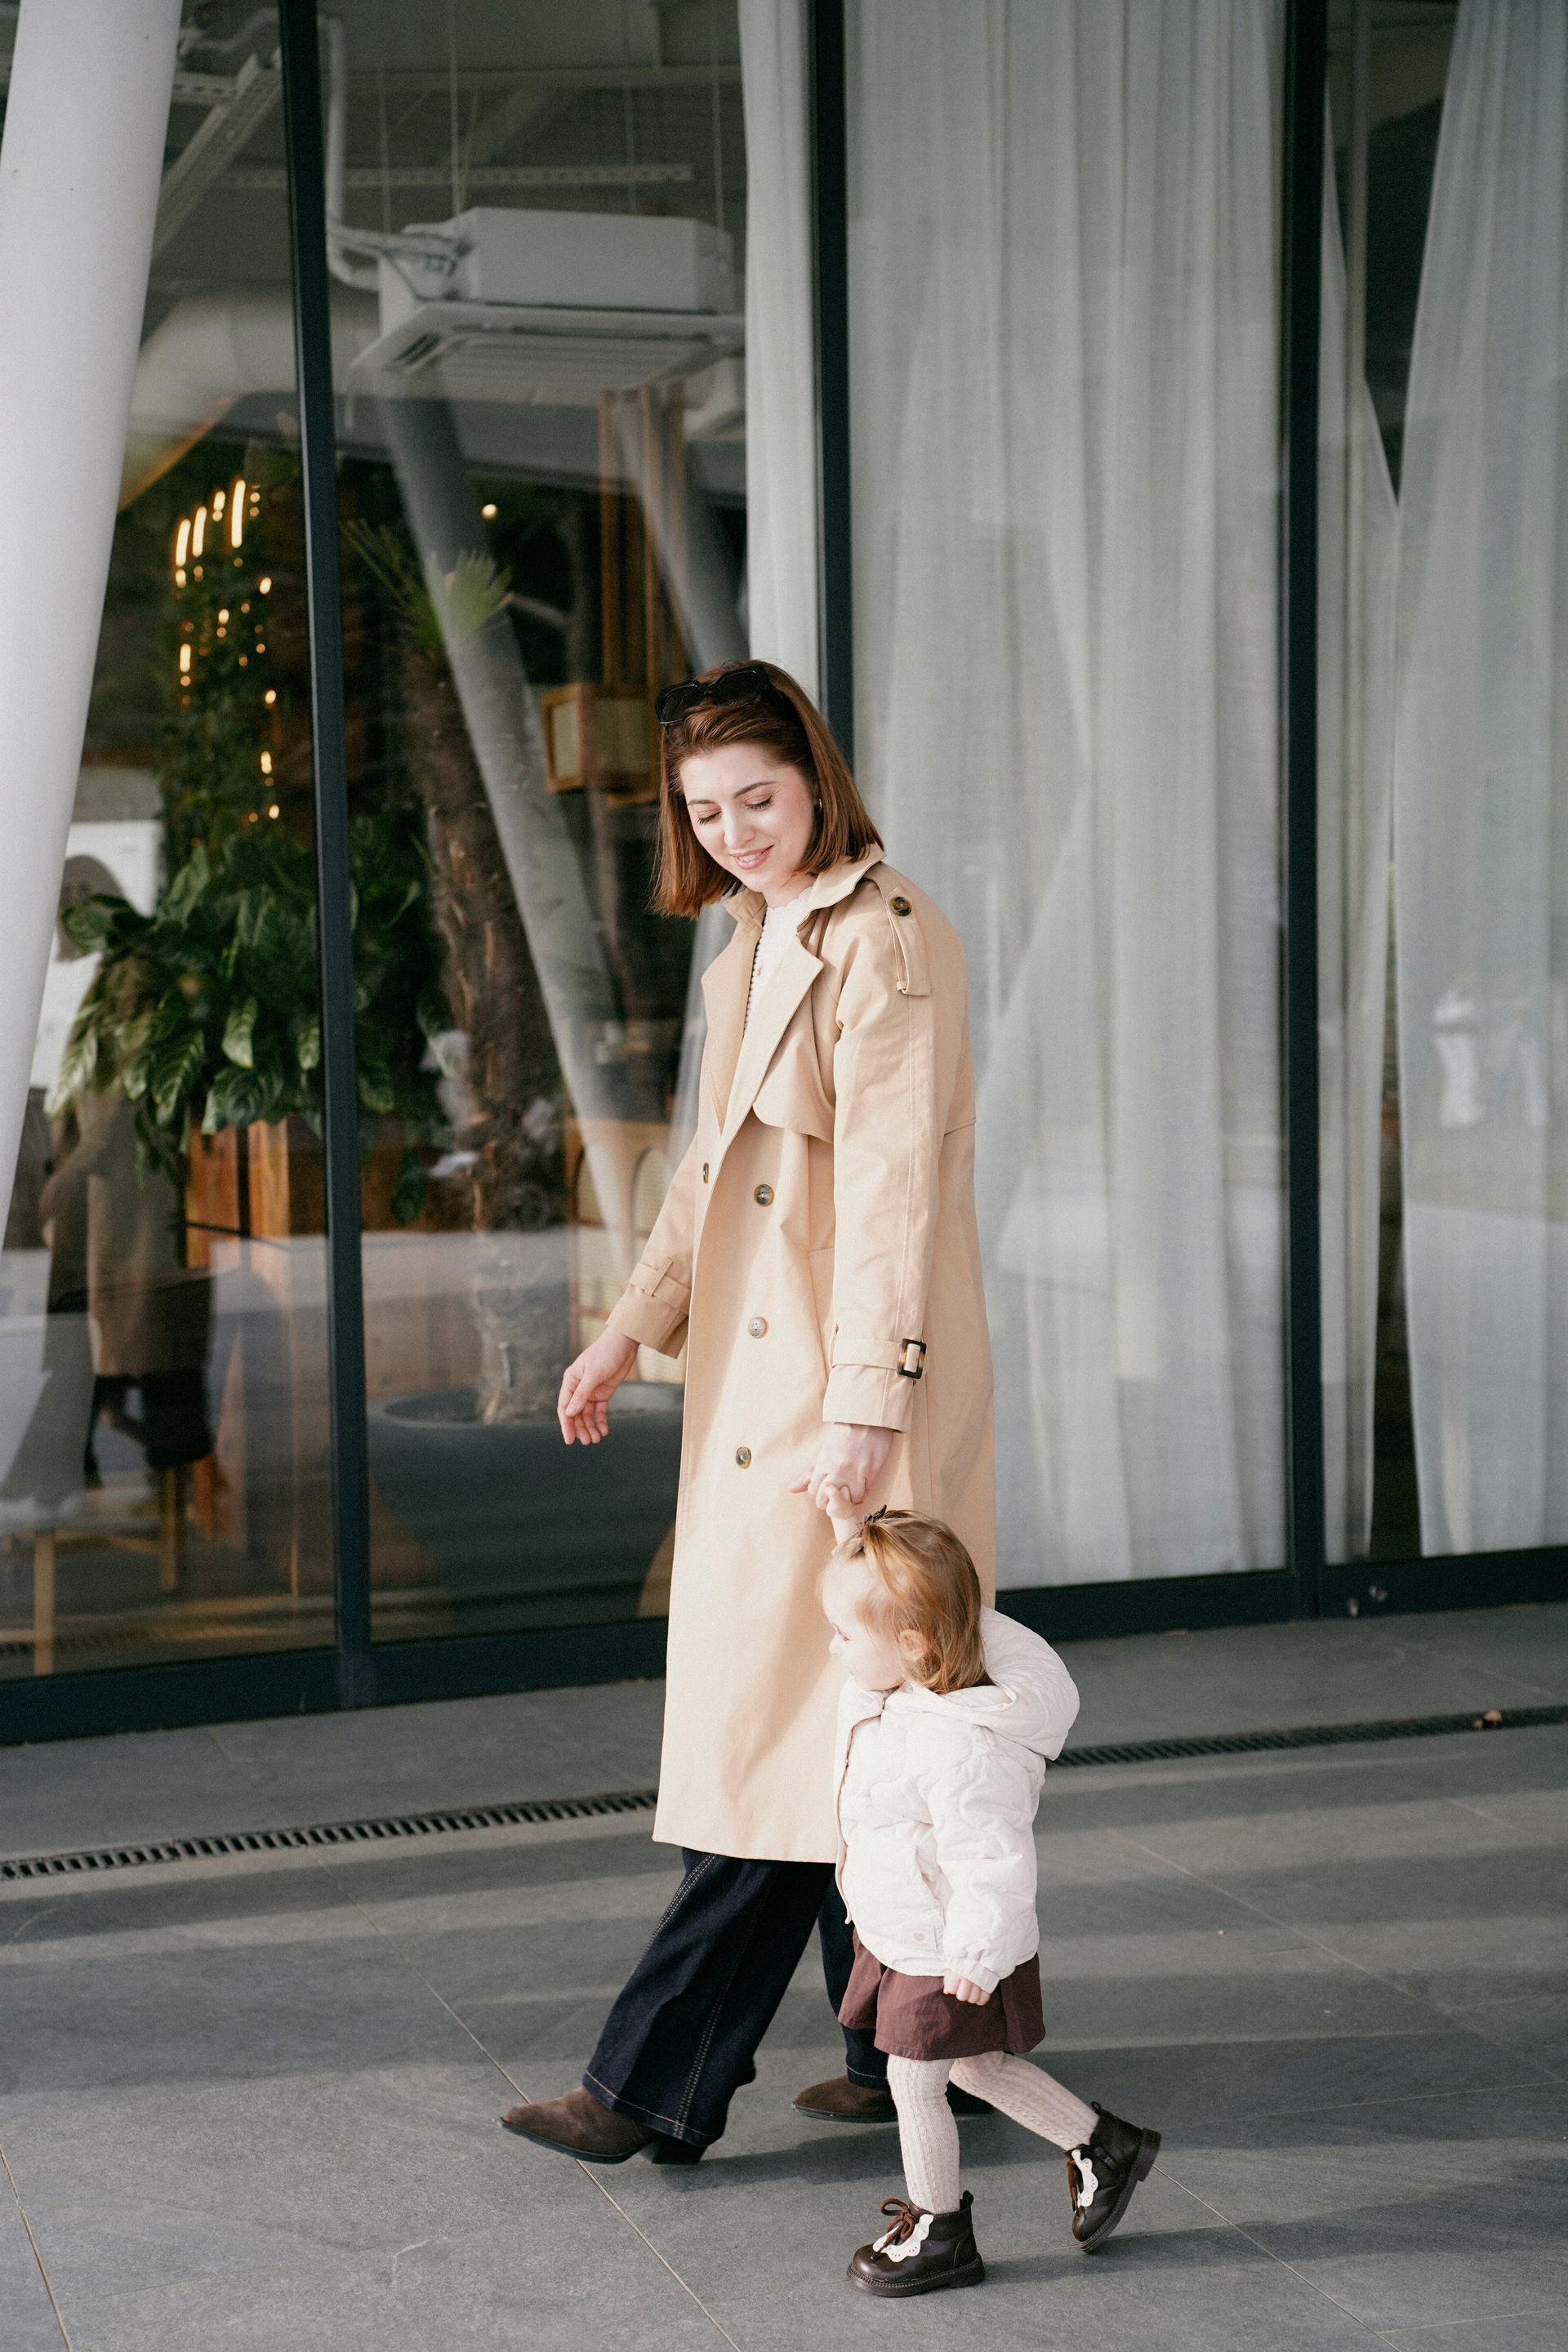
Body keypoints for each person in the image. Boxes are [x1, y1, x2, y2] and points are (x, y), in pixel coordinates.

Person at [501, 658, 996, 2163]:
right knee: (849, 1732)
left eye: (759, 799)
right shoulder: (755, 933)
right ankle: (910, 2046)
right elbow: (710, 1167)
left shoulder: (882, 937)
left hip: (842, 1393)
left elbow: (895, 1196)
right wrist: (626, 1329)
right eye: (706, 811)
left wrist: (867, 1407)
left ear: (816, 780)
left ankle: (649, 2084)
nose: (734, 831)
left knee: (786, 1739)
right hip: (772, 1383)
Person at [824, 1508, 1162, 2296]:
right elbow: (909, 1604)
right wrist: (850, 1528)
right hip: (910, 1924)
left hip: (952, 1941)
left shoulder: (963, 1744)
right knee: (975, 2067)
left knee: (915, 2080)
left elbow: (992, 1858)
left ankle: (940, 2233)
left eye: (842, 1634)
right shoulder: (897, 1679)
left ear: (914, 1644)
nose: (833, 1648)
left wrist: (978, 1951)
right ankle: (1104, 2147)